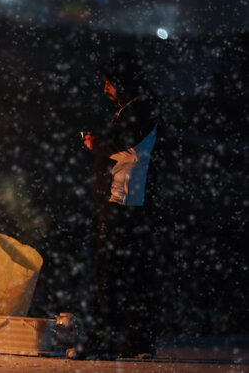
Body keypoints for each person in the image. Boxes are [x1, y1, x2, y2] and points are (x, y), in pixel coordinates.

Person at [75, 53, 159, 360]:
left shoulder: (139, 110)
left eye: (108, 84)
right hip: (125, 205)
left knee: (109, 273)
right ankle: (134, 340)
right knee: (127, 273)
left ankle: (105, 341)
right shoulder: (136, 109)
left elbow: (119, 144)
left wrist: (93, 144)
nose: (106, 90)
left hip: (123, 204)